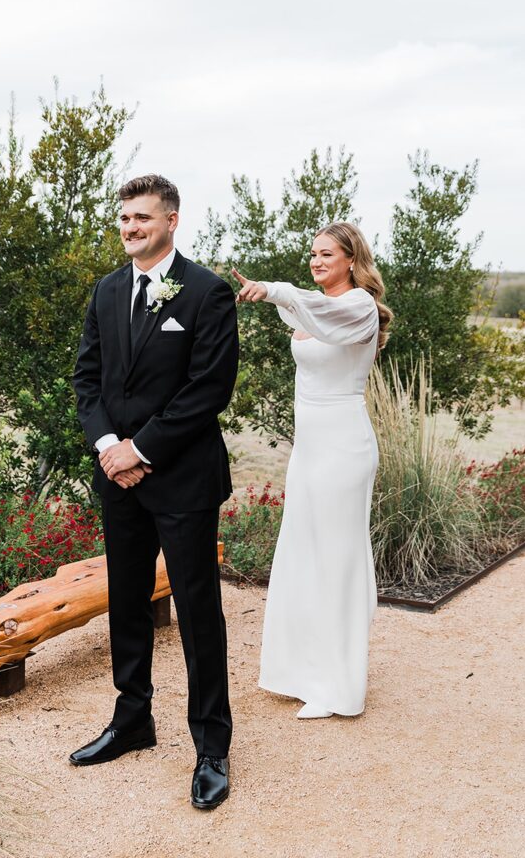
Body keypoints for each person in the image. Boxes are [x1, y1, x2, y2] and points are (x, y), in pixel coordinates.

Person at [71, 174, 238, 810]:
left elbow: (207, 389)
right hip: (118, 478)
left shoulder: (207, 293)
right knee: (128, 601)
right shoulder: (108, 290)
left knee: (198, 612)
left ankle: (212, 746)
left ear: (171, 219)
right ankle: (132, 719)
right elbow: (88, 378)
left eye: (142, 218)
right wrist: (109, 448)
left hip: (183, 480)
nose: (130, 228)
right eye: (124, 220)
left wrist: (139, 450)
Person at [233, 221, 392, 718]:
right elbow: (305, 312)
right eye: (312, 254)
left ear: (351, 259)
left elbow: (318, 312)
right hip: (311, 448)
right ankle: (302, 671)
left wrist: (277, 290)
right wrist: (270, 295)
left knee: (337, 559)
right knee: (304, 553)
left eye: (326, 254)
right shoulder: (317, 307)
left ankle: (340, 687)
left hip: (344, 448)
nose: (316, 261)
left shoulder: (358, 307)